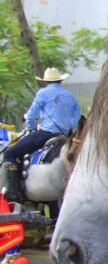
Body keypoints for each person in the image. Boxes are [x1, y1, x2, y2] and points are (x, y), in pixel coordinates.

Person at [3, 67, 81, 199]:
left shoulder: (43, 93)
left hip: (45, 135)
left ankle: (13, 191)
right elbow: (76, 119)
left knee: (10, 153)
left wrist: (31, 128)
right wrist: (67, 128)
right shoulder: (70, 96)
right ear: (60, 81)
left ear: (45, 82)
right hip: (66, 137)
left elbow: (31, 115)